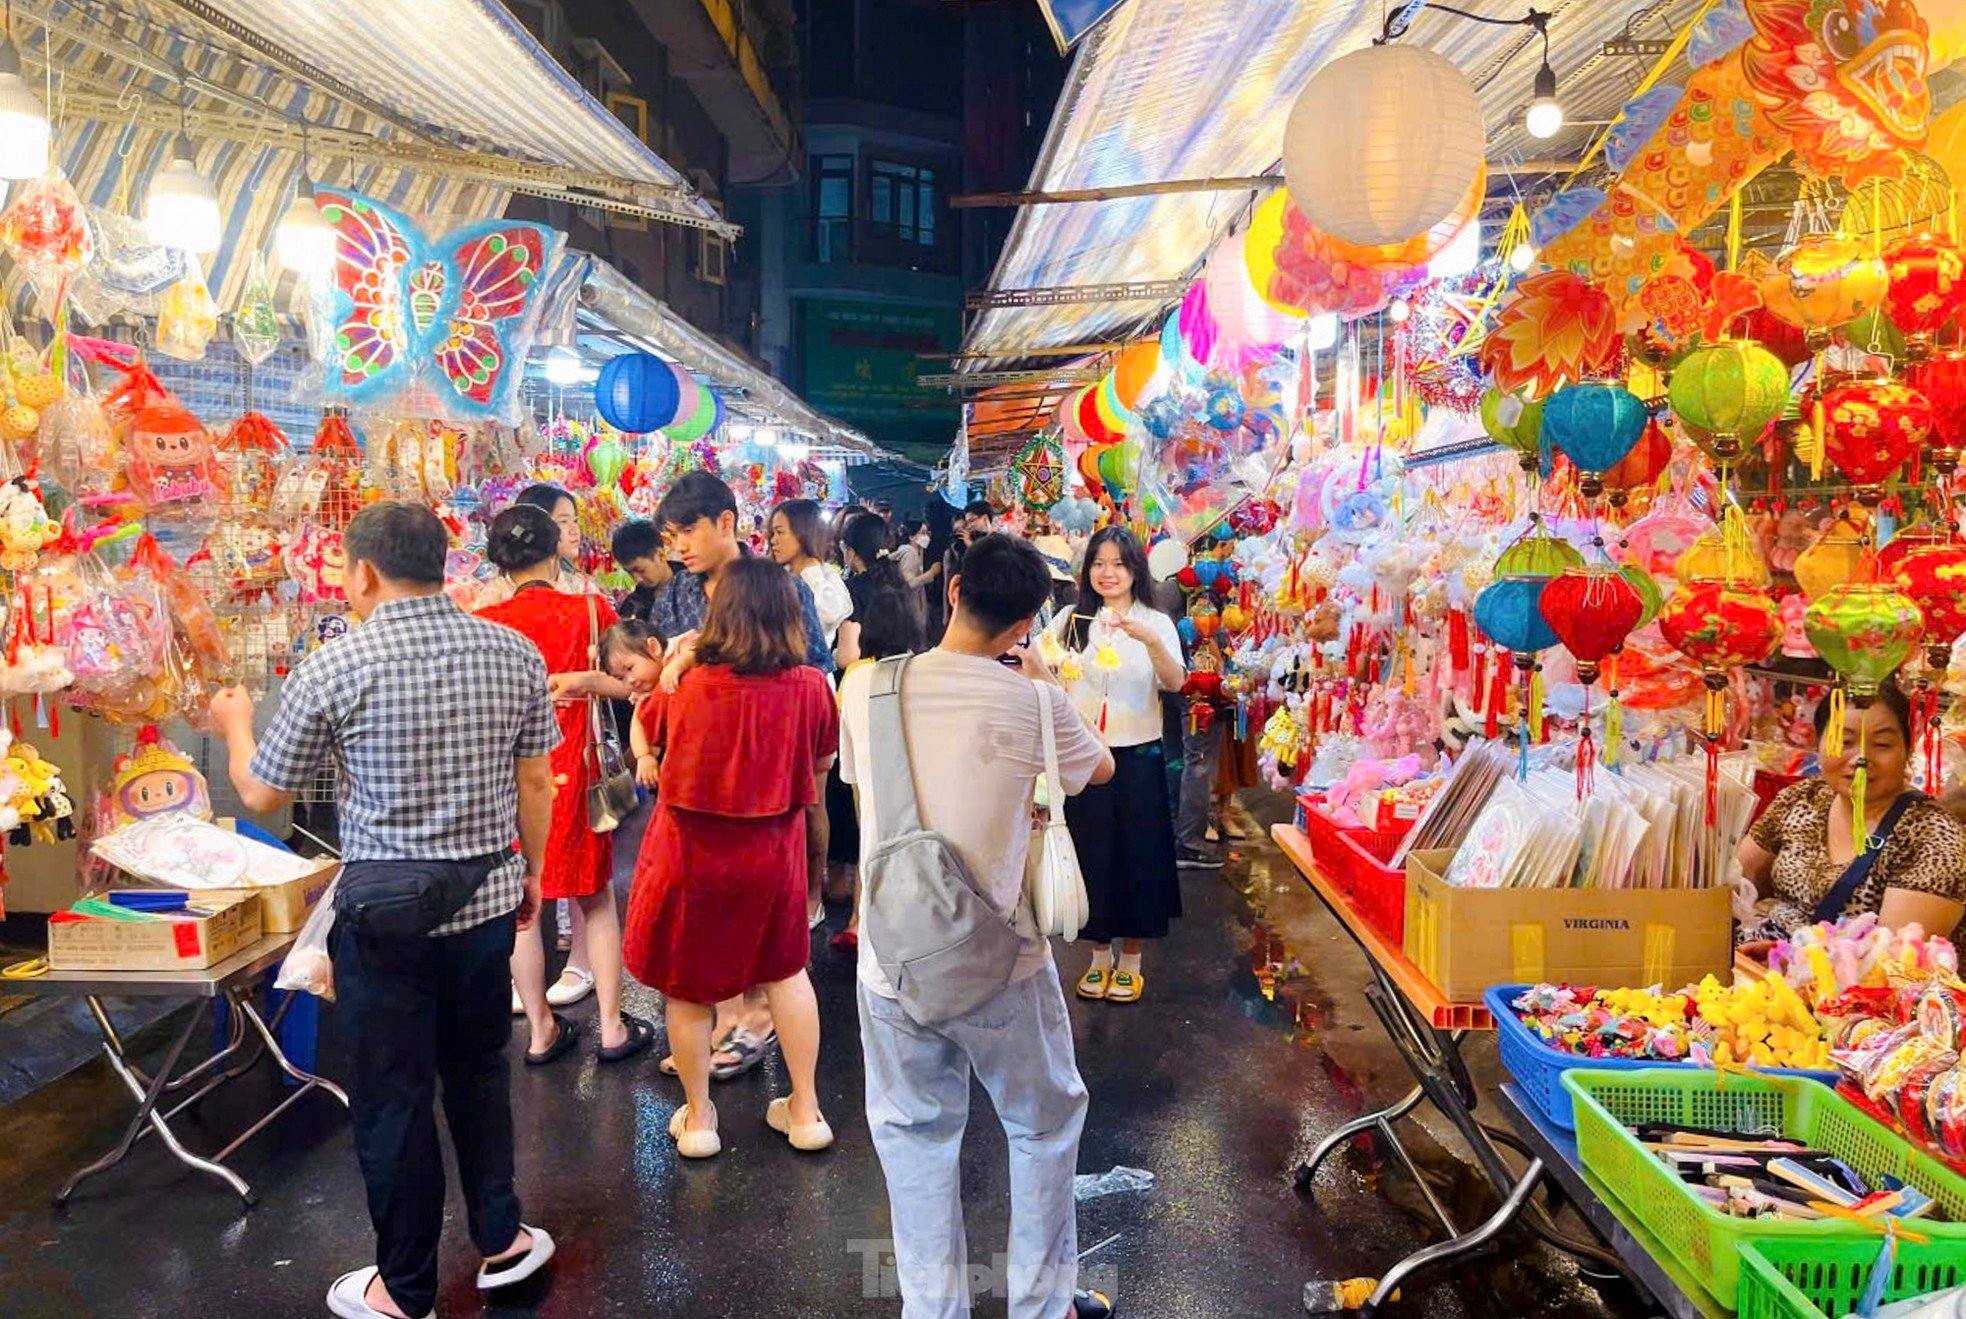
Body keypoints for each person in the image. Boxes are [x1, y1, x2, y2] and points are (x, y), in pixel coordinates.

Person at [208, 502, 559, 1319]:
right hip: (483, 903)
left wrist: (232, 726)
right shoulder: (513, 650)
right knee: (478, 1070)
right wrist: (532, 873)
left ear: (364, 571)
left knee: (394, 1095)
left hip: (384, 918)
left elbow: (262, 795)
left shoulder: (335, 664)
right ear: (441, 562)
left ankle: (404, 1291)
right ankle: (501, 1239)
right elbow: (536, 780)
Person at [839, 533, 1115, 1319]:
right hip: (1004, 964)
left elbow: (866, 794)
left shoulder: (864, 687)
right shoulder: (1034, 698)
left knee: (915, 1136)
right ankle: (1040, 1305)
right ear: (1027, 621)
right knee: (1043, 1125)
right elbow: (1099, 769)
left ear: (951, 589)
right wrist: (1040, 681)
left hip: (892, 961)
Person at [604, 559, 839, 1159]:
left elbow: (646, 741)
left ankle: (701, 1118)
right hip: (773, 856)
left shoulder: (682, 685)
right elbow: (818, 772)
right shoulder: (812, 687)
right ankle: (806, 1112)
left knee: (688, 990)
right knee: (786, 975)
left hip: (689, 854)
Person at [649, 470, 834, 1079]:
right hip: (702, 779)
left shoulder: (776, 585)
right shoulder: (675, 594)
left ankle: (754, 1020)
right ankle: (716, 1026)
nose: (679, 545)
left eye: (688, 531)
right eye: (670, 535)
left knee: (767, 934)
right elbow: (654, 684)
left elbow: (808, 665)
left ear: (726, 522)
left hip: (769, 772)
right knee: (706, 916)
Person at [476, 504, 653, 1067]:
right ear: (556, 553)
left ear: (501, 563)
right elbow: (629, 688)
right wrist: (585, 682)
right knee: (595, 899)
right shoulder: (591, 610)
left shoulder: (485, 622)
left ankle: (540, 1033)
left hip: (509, 778)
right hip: (574, 772)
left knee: (522, 907)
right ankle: (609, 1028)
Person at [1045, 527, 1187, 1005]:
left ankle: (1131, 960)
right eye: (1099, 564)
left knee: (1138, 854)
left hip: (1138, 754)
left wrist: (1149, 640)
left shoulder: (1156, 621)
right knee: (1093, 853)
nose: (1108, 573)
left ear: (1135, 570)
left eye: (1119, 564)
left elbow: (1175, 682)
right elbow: (1044, 668)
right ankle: (1098, 955)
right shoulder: (1071, 619)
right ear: (1087, 571)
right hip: (1084, 755)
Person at [1737, 684, 1966, 944]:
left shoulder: (1932, 837)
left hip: (1842, 978)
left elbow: (1894, 963)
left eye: (1882, 744)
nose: (1861, 759)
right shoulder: (1804, 797)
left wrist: (1790, 959)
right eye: (1844, 742)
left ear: (1907, 750)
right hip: (1764, 967)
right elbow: (1735, 879)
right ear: (1819, 744)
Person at [835, 510, 919, 668]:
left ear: (851, 553)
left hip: (866, 682)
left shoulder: (851, 589)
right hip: (900, 675)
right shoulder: (898, 582)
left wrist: (832, 655)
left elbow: (847, 658)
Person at [768, 498, 852, 647]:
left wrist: (811, 573)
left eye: (780, 532)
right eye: (772, 533)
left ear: (803, 533)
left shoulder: (825, 575)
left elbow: (830, 614)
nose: (773, 540)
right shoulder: (773, 576)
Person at [611, 517, 678, 624]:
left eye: (641, 570)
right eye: (629, 573)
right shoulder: (632, 606)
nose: (637, 579)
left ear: (660, 555)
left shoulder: (695, 585)